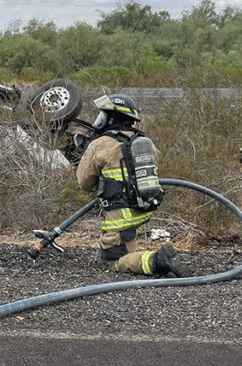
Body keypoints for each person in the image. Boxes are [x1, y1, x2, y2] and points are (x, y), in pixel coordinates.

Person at [76, 94, 187, 276]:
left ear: (111, 118)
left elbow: (85, 182)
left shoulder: (100, 145)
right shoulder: (144, 142)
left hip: (121, 214)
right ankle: (138, 250)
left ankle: (155, 260)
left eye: (102, 116)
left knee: (115, 262)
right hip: (145, 208)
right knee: (126, 241)